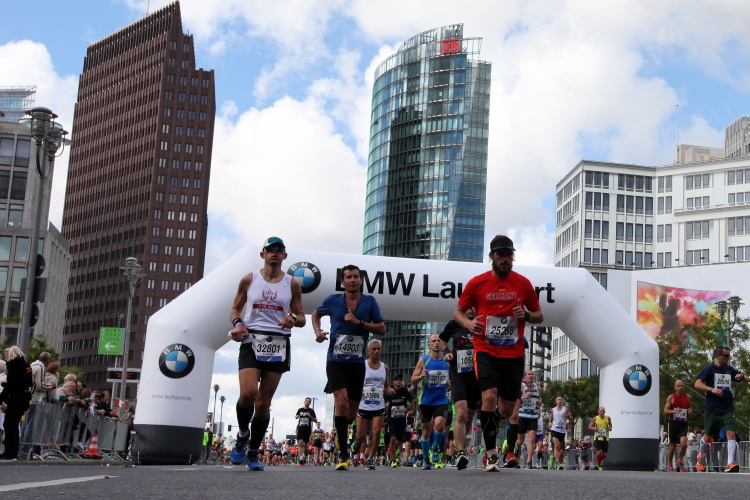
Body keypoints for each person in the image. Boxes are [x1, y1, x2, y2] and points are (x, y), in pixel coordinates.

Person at [454, 235, 543, 472]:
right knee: (489, 397)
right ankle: (492, 453)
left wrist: (526, 315)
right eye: (500, 254)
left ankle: (491, 423)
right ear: (492, 257)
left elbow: (539, 315)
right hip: (486, 349)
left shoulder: (523, 283)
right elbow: (458, 312)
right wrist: (468, 324)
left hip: (513, 354)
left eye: (509, 255)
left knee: (505, 410)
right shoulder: (477, 283)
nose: (505, 259)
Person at [228, 237, 306, 471]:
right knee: (248, 394)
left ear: (284, 256)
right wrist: (238, 324)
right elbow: (235, 309)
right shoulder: (249, 279)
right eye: (270, 249)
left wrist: (292, 318)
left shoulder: (292, 283)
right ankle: (243, 433)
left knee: (263, 404)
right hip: (252, 339)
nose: (274, 252)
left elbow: (301, 316)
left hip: (278, 343)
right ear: (262, 254)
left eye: (279, 249)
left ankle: (253, 452)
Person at [312, 264, 386, 471]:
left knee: (351, 414)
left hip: (356, 363)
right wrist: (317, 331)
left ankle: (342, 432)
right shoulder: (332, 300)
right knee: (341, 402)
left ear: (360, 280)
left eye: (356, 277)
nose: (352, 280)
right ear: (342, 282)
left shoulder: (370, 302)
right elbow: (315, 314)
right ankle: (343, 456)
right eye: (348, 277)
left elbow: (382, 328)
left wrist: (359, 322)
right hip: (335, 360)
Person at [694, 346, 749, 473]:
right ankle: (700, 456)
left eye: (729, 355)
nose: (728, 358)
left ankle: (730, 463)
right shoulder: (709, 369)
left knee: (731, 433)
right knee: (707, 436)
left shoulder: (729, 369)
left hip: (728, 408)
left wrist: (742, 376)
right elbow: (697, 384)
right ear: (718, 356)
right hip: (712, 409)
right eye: (726, 355)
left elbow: (745, 378)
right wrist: (712, 389)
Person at [439, 307, 481, 470]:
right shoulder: (454, 324)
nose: (471, 310)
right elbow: (443, 339)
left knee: (469, 417)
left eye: (474, 307)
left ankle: (461, 447)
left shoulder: (483, 323)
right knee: (461, 413)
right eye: (468, 307)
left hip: (477, 376)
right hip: (458, 374)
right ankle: (460, 452)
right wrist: (447, 352)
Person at [350, 339, 393, 470]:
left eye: (378, 349)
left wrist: (389, 390)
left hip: (378, 404)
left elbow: (386, 386)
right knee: (361, 435)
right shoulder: (362, 366)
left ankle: (371, 459)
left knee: (377, 431)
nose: (376, 351)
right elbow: (354, 383)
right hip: (364, 404)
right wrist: (358, 391)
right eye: (374, 349)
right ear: (368, 351)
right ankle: (357, 442)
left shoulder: (385, 368)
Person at [410, 334, 450, 470]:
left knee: (440, 425)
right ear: (429, 345)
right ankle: (426, 459)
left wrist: (450, 384)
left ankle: (435, 447)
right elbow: (412, 379)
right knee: (426, 430)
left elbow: (451, 379)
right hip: (425, 401)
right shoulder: (423, 361)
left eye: (439, 341)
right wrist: (420, 376)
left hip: (441, 400)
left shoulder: (446, 360)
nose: (436, 343)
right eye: (433, 341)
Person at [0, 346, 32, 460]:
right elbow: (28, 382)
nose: (6, 358)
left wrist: (1, 398)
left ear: (11, 354)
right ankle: (14, 452)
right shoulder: (27, 366)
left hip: (16, 399)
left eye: (7, 355)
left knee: (9, 425)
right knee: (14, 425)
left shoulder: (15, 366)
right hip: (23, 399)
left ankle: (9, 453)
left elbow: (11, 386)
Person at [663, 379, 692, 472]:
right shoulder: (671, 397)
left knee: (684, 443)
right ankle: (670, 464)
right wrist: (673, 411)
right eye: (678, 386)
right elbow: (665, 411)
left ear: (684, 387)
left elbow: (690, 408)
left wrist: (690, 411)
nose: (680, 387)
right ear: (675, 387)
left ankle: (679, 460)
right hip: (673, 423)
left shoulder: (688, 397)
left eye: (682, 386)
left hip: (683, 423)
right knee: (672, 445)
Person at [385, 373, 413, 467]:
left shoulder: (405, 391)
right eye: (397, 379)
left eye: (400, 379)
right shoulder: (390, 392)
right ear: (393, 382)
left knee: (399, 441)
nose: (399, 381)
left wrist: (407, 408)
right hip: (392, 419)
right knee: (392, 438)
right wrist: (386, 405)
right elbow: (383, 401)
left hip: (401, 419)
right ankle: (393, 460)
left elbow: (412, 403)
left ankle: (395, 453)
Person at [516, 369, 541, 468]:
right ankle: (516, 456)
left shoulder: (538, 388)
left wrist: (539, 402)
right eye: (529, 374)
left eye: (532, 374)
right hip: (522, 416)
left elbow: (540, 398)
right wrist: (524, 397)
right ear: (525, 376)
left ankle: (529, 461)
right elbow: (516, 400)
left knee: (532, 439)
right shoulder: (522, 387)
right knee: (520, 441)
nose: (531, 376)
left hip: (533, 416)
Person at [550, 396, 572, 469]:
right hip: (554, 429)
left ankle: (557, 461)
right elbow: (551, 418)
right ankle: (558, 462)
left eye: (561, 400)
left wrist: (567, 416)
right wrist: (550, 419)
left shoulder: (565, 409)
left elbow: (571, 419)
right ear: (556, 401)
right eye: (558, 399)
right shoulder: (553, 409)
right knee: (556, 445)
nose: (560, 401)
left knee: (562, 450)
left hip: (562, 431)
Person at [294, 397, 318, 465]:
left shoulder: (311, 411)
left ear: (310, 403)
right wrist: (297, 416)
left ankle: (303, 456)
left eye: (309, 401)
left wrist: (309, 416)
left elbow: (315, 420)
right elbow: (296, 416)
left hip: (307, 428)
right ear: (304, 402)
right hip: (300, 428)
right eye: (306, 401)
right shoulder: (300, 409)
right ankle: (301, 457)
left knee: (305, 444)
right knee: (300, 443)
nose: (307, 402)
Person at [588, 406, 612, 470]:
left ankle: (598, 460)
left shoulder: (608, 418)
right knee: (600, 451)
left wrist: (610, 428)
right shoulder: (595, 418)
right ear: (598, 411)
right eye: (601, 411)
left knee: (605, 454)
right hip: (597, 437)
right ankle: (599, 466)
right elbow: (589, 426)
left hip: (605, 438)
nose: (602, 412)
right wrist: (593, 428)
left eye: (603, 411)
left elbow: (610, 425)